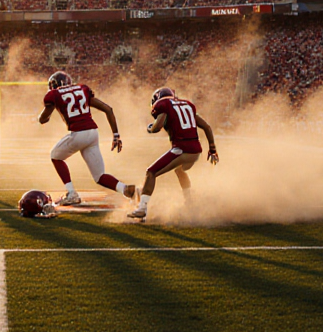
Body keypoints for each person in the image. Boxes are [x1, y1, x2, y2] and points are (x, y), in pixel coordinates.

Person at [38, 71, 135, 206]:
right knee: (99, 176)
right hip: (93, 133)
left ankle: (71, 193)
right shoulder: (82, 89)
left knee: (55, 156)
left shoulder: (54, 94)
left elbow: (43, 119)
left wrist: (42, 117)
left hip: (79, 133)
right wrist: (116, 135)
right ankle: (126, 189)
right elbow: (108, 109)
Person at [129, 87, 218, 221]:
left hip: (181, 149)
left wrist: (150, 129)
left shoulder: (163, 105)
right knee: (179, 171)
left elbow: (157, 127)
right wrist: (212, 149)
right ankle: (189, 201)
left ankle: (142, 208)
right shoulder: (187, 104)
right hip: (196, 150)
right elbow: (207, 127)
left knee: (151, 172)